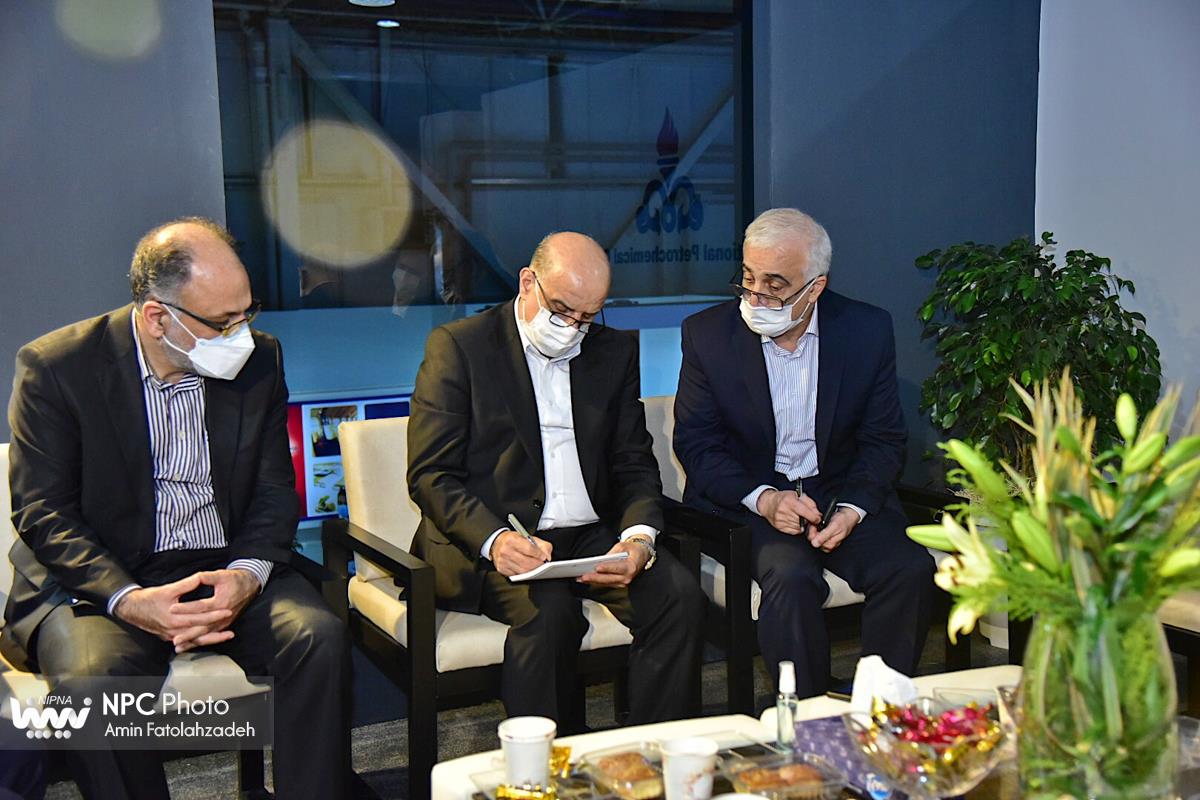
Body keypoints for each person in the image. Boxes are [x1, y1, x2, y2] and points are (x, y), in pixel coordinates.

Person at [1, 218, 350, 799]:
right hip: (107, 576)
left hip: (222, 563)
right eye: (222, 322)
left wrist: (246, 576)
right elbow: (44, 512)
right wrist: (130, 600)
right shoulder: (58, 368)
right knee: (91, 684)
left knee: (318, 638)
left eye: (248, 314)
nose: (241, 335)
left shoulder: (260, 360)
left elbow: (273, 489)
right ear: (157, 318)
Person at [407, 231, 706, 728]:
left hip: (591, 534)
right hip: (500, 536)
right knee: (549, 616)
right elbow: (430, 473)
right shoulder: (460, 346)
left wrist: (638, 539)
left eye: (587, 317)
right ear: (528, 282)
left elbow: (632, 461)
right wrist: (495, 540)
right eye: (562, 310)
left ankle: (652, 754)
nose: (572, 328)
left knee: (678, 598)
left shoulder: (612, 352)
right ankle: (549, 763)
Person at [673, 208, 934, 699]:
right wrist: (766, 499)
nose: (756, 297)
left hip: (837, 490)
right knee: (791, 577)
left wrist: (854, 507)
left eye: (775, 286)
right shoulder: (707, 335)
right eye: (748, 278)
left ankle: (879, 708)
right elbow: (697, 444)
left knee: (909, 569)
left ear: (815, 288)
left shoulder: (865, 330)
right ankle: (808, 715)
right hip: (748, 500)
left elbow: (883, 439)